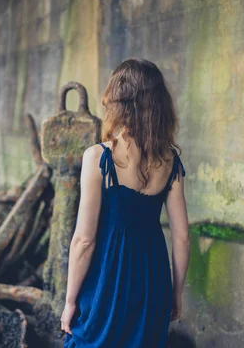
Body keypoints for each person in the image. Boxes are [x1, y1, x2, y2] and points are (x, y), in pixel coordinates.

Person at [61, 58, 190, 347]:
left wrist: (70, 301)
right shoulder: (170, 160)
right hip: (153, 280)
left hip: (109, 280)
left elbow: (84, 240)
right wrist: (176, 293)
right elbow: (181, 238)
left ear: (118, 102)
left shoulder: (98, 157)